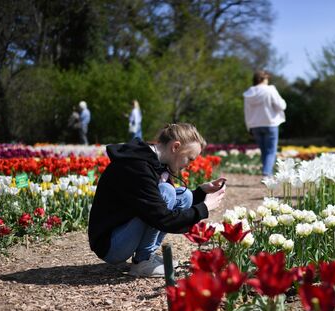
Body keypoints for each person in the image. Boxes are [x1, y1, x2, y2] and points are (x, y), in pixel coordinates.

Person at [88, 123, 226, 277]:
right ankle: (143, 261)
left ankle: (146, 257)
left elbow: (157, 207)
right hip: (111, 245)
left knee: (184, 195)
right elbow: (162, 218)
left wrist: (201, 192)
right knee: (167, 191)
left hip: (123, 231)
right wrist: (204, 208)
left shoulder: (153, 161)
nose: (189, 165)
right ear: (175, 147)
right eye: (190, 159)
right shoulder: (137, 166)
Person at [243, 70, 287, 176]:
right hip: (270, 123)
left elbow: (246, 111)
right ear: (263, 79)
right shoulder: (270, 90)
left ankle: (268, 172)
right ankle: (267, 172)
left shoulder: (248, 93)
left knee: (264, 151)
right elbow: (281, 106)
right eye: (267, 79)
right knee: (271, 151)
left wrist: (248, 127)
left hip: (255, 125)